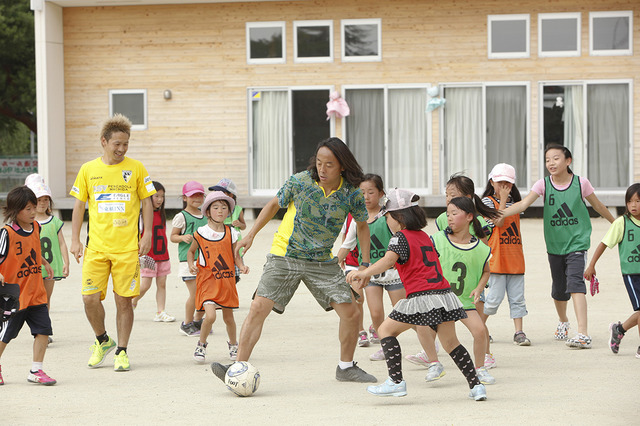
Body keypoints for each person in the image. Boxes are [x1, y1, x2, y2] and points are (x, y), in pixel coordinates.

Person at [211, 137, 377, 385]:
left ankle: (345, 367)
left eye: (329, 164)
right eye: (319, 162)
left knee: (352, 313)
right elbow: (273, 205)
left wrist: (364, 264)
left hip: (321, 261)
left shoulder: (351, 193)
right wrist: (251, 235)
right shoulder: (301, 181)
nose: (322, 169)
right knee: (258, 307)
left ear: (342, 165)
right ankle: (237, 367)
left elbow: (362, 226)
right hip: (285, 255)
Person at [346, 189, 487, 401]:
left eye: (388, 216)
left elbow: (388, 261)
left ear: (399, 216)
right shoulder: (424, 236)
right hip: (443, 294)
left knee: (385, 330)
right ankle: (476, 386)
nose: (387, 221)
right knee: (451, 343)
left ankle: (395, 382)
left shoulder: (399, 238)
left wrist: (363, 272)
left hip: (421, 297)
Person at [502, 144, 615, 349]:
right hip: (554, 245)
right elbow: (523, 205)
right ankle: (563, 321)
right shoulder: (543, 185)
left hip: (577, 243)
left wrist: (616, 224)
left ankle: (582, 333)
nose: (551, 163)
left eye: (555, 158)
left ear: (568, 161)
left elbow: (598, 206)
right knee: (559, 289)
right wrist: (499, 214)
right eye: (547, 160)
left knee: (575, 284)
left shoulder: (581, 183)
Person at [70, 114, 156, 371]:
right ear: (104, 141)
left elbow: (147, 201)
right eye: (117, 143)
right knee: (89, 299)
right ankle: (103, 340)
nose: (121, 149)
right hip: (95, 248)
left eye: (126, 144)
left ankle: (122, 351)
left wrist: (148, 233)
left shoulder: (137, 168)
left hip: (127, 249)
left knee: (124, 302)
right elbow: (78, 205)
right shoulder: (88, 169)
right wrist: (74, 239)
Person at [406, 173, 499, 366]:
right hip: (447, 282)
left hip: (471, 280)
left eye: (453, 194)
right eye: (447, 194)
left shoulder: (479, 222)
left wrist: (481, 284)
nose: (448, 199)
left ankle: (486, 355)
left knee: (479, 324)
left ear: (468, 197)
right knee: (434, 322)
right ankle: (428, 351)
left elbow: (483, 253)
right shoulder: (442, 219)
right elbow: (440, 248)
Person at [424, 197, 495, 386]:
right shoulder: (438, 240)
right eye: (448, 214)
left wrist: (479, 288)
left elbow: (486, 271)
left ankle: (480, 368)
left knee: (480, 331)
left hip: (465, 301)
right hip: (441, 300)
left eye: (454, 213)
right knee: (426, 329)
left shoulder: (480, 248)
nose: (449, 218)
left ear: (469, 217)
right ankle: (434, 363)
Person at [337, 174, 406, 360]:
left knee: (404, 311)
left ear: (381, 193)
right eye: (362, 193)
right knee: (376, 313)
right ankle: (386, 347)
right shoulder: (357, 219)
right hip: (370, 274)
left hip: (393, 273)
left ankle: (429, 339)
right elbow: (347, 244)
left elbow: (404, 239)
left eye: (371, 192)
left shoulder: (389, 216)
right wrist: (335, 262)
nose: (366, 197)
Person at [0, 186, 56, 385]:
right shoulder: (6, 233)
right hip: (14, 297)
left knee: (43, 331)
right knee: (5, 336)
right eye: (28, 209)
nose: (34, 213)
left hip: (36, 294)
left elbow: (32, 250)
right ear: (16, 211)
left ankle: (36, 370)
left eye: (34, 208)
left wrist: (45, 262)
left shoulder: (36, 228)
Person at [187, 191, 249, 363]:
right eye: (215, 207)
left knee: (229, 318)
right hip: (207, 281)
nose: (220, 211)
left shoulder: (232, 233)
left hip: (226, 281)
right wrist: (191, 264)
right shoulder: (200, 233)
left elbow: (236, 256)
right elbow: (191, 252)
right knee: (211, 316)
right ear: (207, 212)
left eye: (224, 207)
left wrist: (242, 266)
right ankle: (201, 344)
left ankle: (233, 345)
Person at [584, 183, 640, 358]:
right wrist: (592, 264)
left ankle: (619, 329)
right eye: (629, 201)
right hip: (632, 274)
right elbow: (604, 244)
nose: (633, 205)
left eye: (638, 201)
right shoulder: (621, 223)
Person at [481, 164, 530, 347]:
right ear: (491, 181)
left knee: (518, 299)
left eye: (507, 183)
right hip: (496, 259)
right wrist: (502, 200)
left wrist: (506, 200)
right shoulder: (486, 202)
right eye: (499, 182)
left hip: (515, 258)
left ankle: (519, 332)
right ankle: (480, 327)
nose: (503, 186)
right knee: (493, 300)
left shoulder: (517, 204)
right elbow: (499, 222)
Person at [25, 175, 70, 316]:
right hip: (32, 266)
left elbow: (62, 243)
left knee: (45, 298)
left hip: (51, 266)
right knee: (33, 299)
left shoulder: (54, 221)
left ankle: (44, 330)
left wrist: (66, 263)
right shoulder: (27, 223)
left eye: (45, 200)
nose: (43, 203)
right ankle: (37, 327)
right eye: (39, 200)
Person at [132, 181, 175, 322]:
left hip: (163, 256)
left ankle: (160, 311)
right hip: (148, 256)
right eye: (156, 196)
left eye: (162, 196)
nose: (159, 200)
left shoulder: (162, 215)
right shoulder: (141, 216)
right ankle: (132, 301)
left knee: (162, 284)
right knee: (145, 284)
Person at [170, 181, 207, 336]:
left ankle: (198, 322)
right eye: (193, 195)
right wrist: (182, 237)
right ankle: (187, 323)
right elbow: (172, 237)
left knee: (205, 293)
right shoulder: (181, 216)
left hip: (205, 261)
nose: (197, 198)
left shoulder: (206, 214)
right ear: (185, 198)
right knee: (195, 294)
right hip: (188, 262)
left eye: (200, 195)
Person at [208, 178, 246, 283]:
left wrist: (240, 224)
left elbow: (244, 226)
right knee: (219, 277)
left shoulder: (238, 210)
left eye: (221, 192)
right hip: (219, 248)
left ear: (231, 195)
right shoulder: (215, 211)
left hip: (235, 249)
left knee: (234, 278)